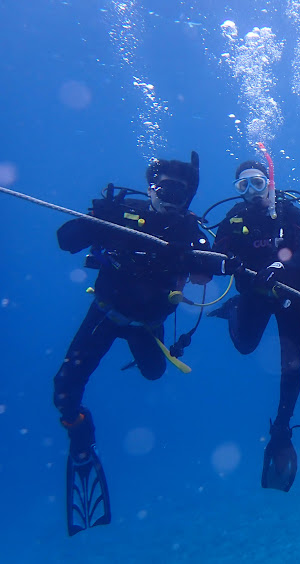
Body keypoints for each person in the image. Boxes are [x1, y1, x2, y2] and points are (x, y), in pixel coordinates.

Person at [54, 151, 213, 535]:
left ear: (188, 197)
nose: (169, 199)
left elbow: (207, 275)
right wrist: (94, 221)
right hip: (105, 315)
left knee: (155, 373)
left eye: (178, 193)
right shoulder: (121, 214)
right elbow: (65, 241)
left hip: (146, 326)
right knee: (63, 389)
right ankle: (81, 439)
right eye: (163, 189)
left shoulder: (189, 230)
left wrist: (189, 254)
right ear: (150, 188)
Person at [209, 158, 300, 492]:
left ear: (270, 182)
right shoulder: (234, 217)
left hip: (290, 296)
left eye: (257, 182)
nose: (252, 191)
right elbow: (216, 256)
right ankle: (234, 309)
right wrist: (227, 263)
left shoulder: (289, 213)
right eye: (244, 185)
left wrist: (283, 267)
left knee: (292, 365)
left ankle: (282, 425)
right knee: (244, 345)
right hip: (253, 295)